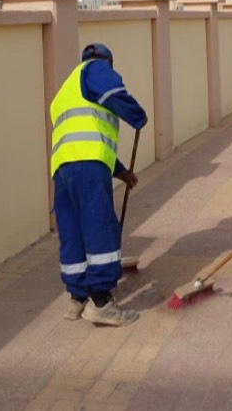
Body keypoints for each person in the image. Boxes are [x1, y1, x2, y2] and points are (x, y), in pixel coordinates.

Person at [50, 43, 147, 326]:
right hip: (87, 166)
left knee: (73, 231)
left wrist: (122, 172)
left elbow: (84, 136)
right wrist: (137, 115)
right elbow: (113, 94)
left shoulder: (66, 89)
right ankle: (102, 303)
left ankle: (77, 297)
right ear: (106, 61)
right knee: (99, 225)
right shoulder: (96, 68)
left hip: (63, 168)